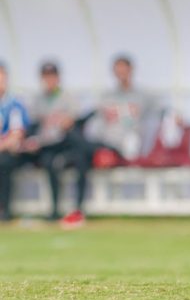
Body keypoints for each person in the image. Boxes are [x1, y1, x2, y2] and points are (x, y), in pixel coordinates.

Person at [22, 61, 90, 227]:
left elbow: (73, 121)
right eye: (46, 77)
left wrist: (64, 122)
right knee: (48, 163)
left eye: (52, 76)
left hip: (66, 144)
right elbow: (34, 126)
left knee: (81, 160)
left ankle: (78, 210)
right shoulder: (38, 100)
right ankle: (54, 210)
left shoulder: (67, 97)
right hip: (47, 146)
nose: (49, 80)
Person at [87, 54, 158, 163]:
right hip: (109, 142)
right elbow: (96, 120)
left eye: (123, 70)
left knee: (131, 143)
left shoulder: (143, 95)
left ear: (131, 70)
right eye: (118, 71)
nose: (121, 74)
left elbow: (159, 112)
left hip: (132, 141)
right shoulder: (106, 97)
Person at [0, 62, 30, 221]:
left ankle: (4, 209)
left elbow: (16, 135)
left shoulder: (13, 105)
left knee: (3, 162)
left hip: (9, 153)